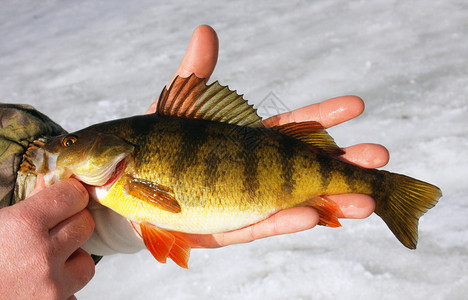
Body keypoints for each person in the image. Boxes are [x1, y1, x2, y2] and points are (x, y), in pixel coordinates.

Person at [0, 25, 389, 299]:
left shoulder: (117, 177)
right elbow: (160, 211)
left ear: (107, 147)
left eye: (70, 142)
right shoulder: (114, 182)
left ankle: (385, 191)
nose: (59, 147)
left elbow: (160, 207)